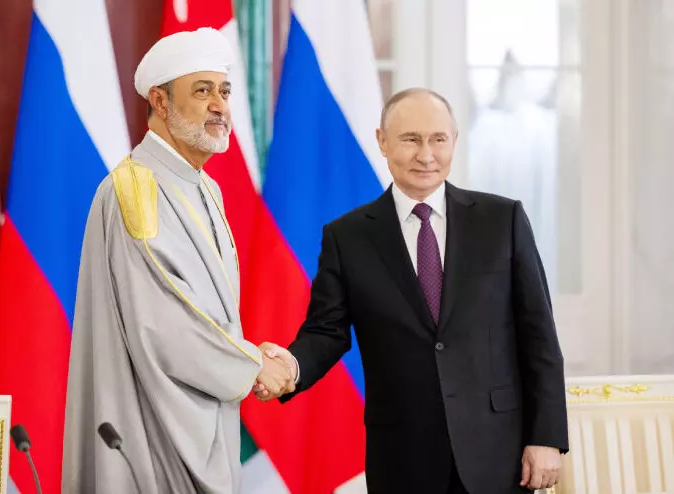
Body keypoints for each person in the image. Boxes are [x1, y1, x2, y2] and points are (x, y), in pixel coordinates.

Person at [257, 88, 568, 493]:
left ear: (454, 140)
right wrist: (291, 367)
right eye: (410, 139)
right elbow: (326, 331)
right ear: (383, 141)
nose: (426, 155)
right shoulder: (348, 237)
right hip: (402, 456)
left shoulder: (502, 220)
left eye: (438, 139)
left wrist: (546, 437)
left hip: (498, 452)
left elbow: (539, 335)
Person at [62, 27, 295, 494]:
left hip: (204, 413)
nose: (220, 106)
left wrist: (251, 357)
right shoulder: (136, 190)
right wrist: (251, 365)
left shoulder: (204, 187)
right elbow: (162, 324)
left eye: (225, 91)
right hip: (153, 421)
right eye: (202, 91)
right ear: (161, 102)